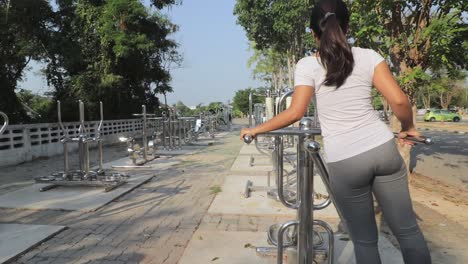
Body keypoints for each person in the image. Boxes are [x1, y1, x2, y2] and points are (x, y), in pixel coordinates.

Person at [240, 0, 432, 263]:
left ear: (312, 32)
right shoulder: (368, 56)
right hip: (382, 149)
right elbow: (399, 101)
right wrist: (408, 128)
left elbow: (295, 113)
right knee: (408, 231)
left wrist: (257, 128)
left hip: (346, 159)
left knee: (365, 240)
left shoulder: (308, 65)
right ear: (347, 26)